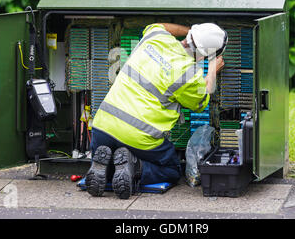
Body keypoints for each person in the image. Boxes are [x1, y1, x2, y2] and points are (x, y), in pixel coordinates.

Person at [85, 22, 227, 199]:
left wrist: (192, 31)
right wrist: (212, 69)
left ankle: (104, 166)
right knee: (172, 169)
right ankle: (136, 168)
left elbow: (160, 25)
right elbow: (200, 102)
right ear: (206, 54)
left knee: (106, 156)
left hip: (102, 127)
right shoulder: (188, 74)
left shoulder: (155, 37)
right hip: (138, 138)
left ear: (190, 35)